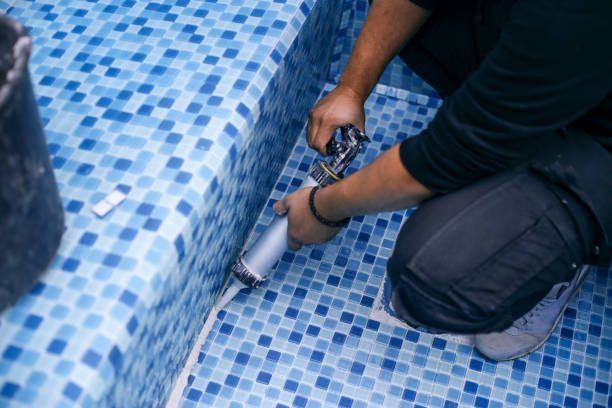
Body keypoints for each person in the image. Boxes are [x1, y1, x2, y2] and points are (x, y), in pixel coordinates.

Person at [273, 0, 612, 361]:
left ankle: (568, 240)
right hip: (561, 65)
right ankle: (505, 119)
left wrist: (323, 210)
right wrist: (352, 88)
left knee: (428, 279)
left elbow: (445, 157)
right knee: (414, 21)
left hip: (600, 145)